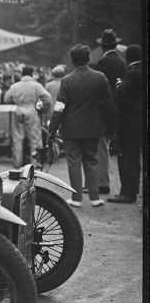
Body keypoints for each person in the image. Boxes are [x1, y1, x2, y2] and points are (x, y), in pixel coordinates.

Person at [47, 44, 115, 207]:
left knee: (74, 162)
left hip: (71, 129)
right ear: (89, 58)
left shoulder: (67, 80)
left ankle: (76, 199)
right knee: (92, 161)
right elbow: (109, 105)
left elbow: (60, 107)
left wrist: (52, 129)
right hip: (94, 128)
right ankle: (94, 197)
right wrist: (111, 128)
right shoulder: (100, 77)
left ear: (72, 61)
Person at [108, 44, 143, 204]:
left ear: (128, 56)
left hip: (129, 123)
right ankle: (133, 190)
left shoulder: (133, 73)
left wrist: (119, 86)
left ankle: (127, 193)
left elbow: (122, 92)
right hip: (139, 122)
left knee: (127, 157)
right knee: (135, 158)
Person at [93, 29, 126, 195]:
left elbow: (101, 89)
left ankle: (102, 183)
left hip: (104, 109)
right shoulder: (121, 62)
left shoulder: (103, 62)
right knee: (104, 147)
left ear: (102, 46)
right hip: (117, 108)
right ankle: (101, 181)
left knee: (101, 147)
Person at [3, 65, 51, 168]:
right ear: (32, 73)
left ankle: (17, 163)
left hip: (19, 110)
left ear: (22, 73)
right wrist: (41, 106)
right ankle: (35, 163)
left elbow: (6, 99)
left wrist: (16, 100)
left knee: (17, 138)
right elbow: (47, 97)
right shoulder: (36, 86)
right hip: (32, 111)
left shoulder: (15, 86)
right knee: (35, 139)